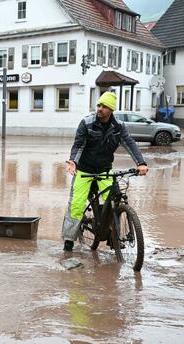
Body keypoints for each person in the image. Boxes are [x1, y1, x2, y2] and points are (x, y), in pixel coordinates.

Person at [61, 91, 149, 252]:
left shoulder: (118, 127)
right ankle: (69, 239)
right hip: (84, 169)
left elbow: (130, 144)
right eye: (99, 105)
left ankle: (112, 236)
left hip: (104, 169)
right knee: (76, 204)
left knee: (113, 201)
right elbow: (78, 145)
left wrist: (141, 163)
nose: (100, 108)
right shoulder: (87, 123)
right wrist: (73, 161)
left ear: (111, 110)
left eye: (104, 106)